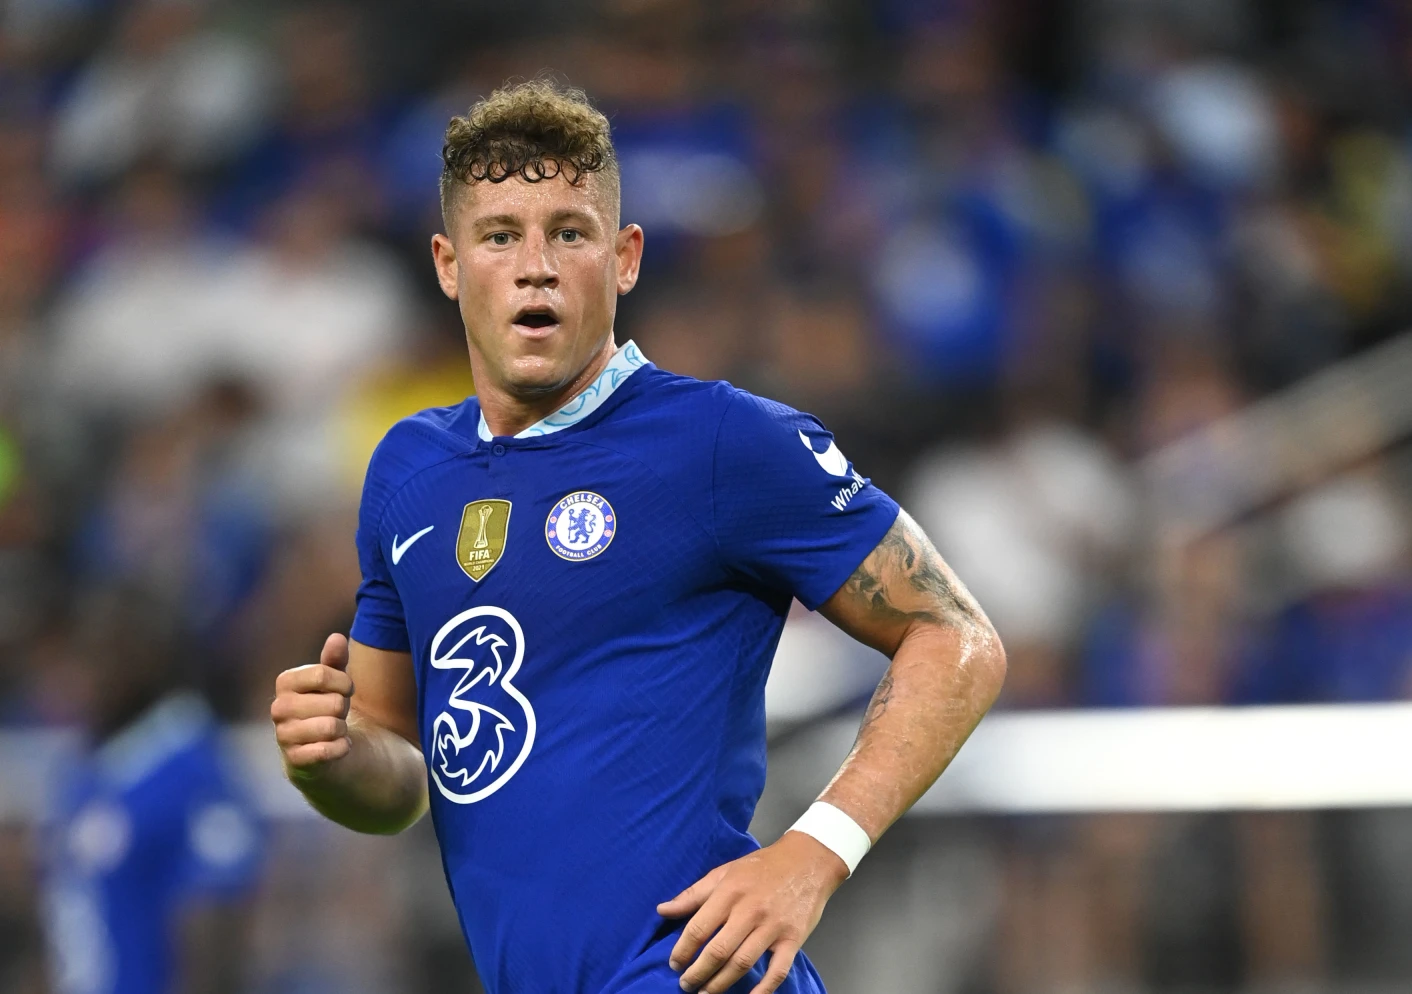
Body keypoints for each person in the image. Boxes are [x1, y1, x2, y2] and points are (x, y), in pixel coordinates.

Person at [270, 78, 1007, 994]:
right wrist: (333, 760)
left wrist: (814, 853)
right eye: (499, 236)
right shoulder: (407, 472)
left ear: (624, 258)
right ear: (449, 265)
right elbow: (402, 770)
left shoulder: (722, 441)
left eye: (568, 233)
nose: (535, 267)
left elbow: (955, 637)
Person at [42, 585, 265, 994]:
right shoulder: (91, 768)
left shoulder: (193, 768)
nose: (86, 671)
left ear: (148, 655)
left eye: (102, 652)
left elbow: (214, 936)